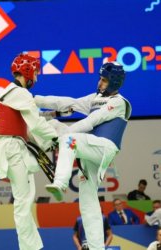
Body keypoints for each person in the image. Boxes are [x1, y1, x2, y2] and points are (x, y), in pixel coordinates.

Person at [35, 61, 131, 250]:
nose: (99, 83)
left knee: (69, 139)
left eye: (103, 80)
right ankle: (97, 248)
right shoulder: (95, 98)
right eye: (100, 79)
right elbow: (66, 102)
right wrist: (34, 100)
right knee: (88, 203)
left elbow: (92, 121)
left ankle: (60, 183)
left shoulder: (119, 102)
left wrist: (65, 136)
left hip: (104, 148)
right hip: (89, 151)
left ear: (114, 82)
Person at [0, 53, 58, 250]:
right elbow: (36, 124)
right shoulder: (20, 94)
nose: (36, 78)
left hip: (15, 147)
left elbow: (30, 120)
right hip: (13, 148)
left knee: (26, 198)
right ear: (28, 72)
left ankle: (33, 246)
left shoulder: (9, 92)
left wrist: (51, 120)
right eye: (35, 73)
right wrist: (55, 138)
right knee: (22, 202)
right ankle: (28, 248)